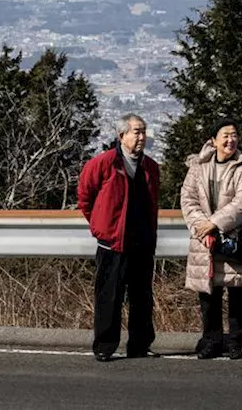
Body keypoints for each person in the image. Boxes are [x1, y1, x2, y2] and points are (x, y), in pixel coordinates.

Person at [78, 113, 161, 361]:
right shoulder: (104, 163)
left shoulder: (151, 168)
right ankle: (105, 345)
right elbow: (85, 196)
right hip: (112, 243)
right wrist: (101, 226)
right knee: (109, 298)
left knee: (142, 298)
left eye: (143, 131)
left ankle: (140, 344)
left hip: (142, 242)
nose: (141, 137)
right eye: (136, 131)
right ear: (121, 135)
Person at [180, 118, 242, 360]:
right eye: (225, 135)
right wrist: (201, 227)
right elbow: (188, 199)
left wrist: (213, 224)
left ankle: (236, 341)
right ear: (213, 140)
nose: (230, 140)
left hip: (235, 238)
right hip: (205, 241)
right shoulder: (198, 166)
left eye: (234, 135)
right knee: (208, 294)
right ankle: (212, 340)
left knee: (238, 293)